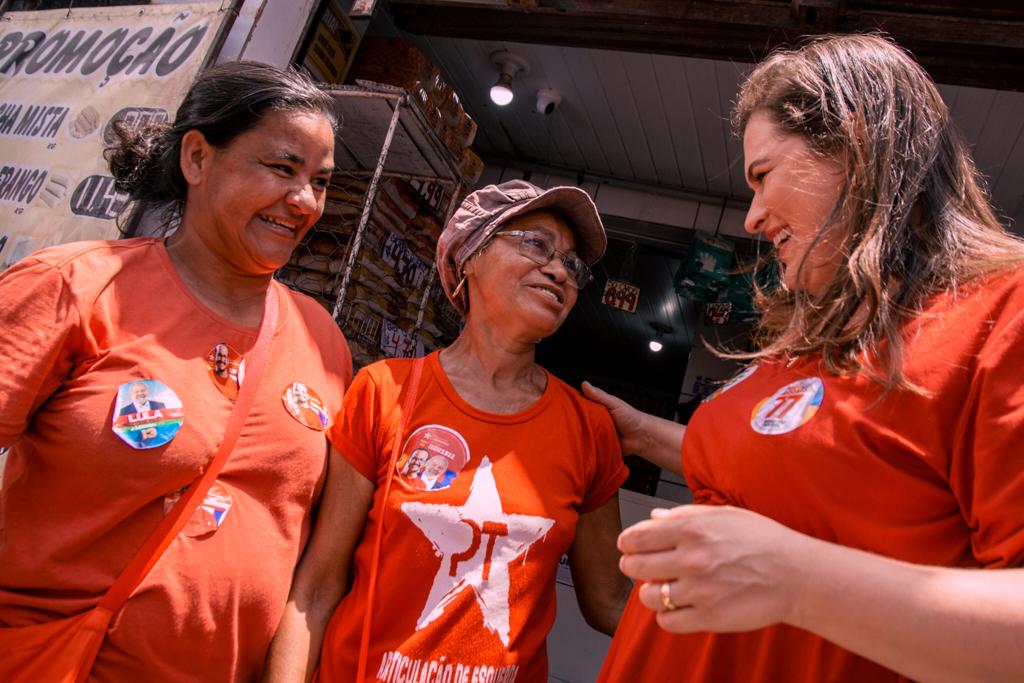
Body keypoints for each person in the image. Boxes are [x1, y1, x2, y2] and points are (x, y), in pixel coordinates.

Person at [586, 34, 1024, 683]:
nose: (754, 216)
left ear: (855, 145)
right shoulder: (815, 339)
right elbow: (802, 469)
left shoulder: (1000, 315)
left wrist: (793, 579)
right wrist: (639, 431)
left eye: (762, 176)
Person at [0, 61, 352, 681]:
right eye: (282, 168)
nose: (304, 202)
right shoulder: (78, 286)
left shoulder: (322, 340)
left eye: (320, 182)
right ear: (197, 158)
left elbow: (306, 560)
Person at [264, 180, 632, 682]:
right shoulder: (385, 390)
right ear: (470, 258)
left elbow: (609, 600)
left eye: (572, 265)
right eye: (536, 244)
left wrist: (748, 627)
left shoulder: (589, 429)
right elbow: (317, 587)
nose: (558, 270)